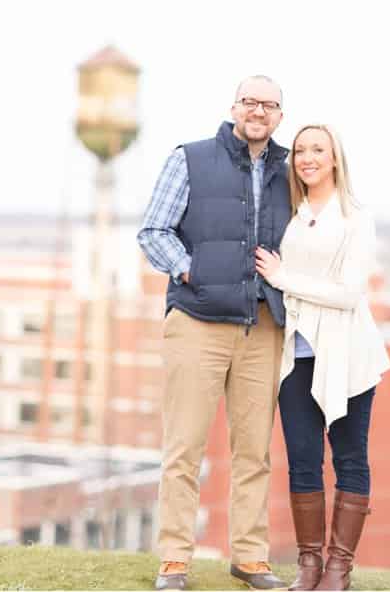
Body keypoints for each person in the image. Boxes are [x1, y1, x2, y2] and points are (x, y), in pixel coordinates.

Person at [137, 76, 292, 592]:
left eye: (270, 105)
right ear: (234, 107)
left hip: (262, 327)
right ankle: (174, 561)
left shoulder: (288, 171)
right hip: (198, 324)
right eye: (251, 101)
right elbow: (153, 230)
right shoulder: (191, 158)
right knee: (184, 448)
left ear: (279, 116)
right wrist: (189, 270)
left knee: (255, 452)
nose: (259, 111)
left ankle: (250, 558)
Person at [255, 124, 390, 592]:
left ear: (335, 158)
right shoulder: (290, 213)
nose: (307, 157)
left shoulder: (355, 217)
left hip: (349, 354)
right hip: (296, 355)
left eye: (318, 149)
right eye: (299, 150)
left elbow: (350, 294)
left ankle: (339, 569)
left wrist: (283, 277)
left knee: (351, 458)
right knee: (303, 461)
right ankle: (309, 565)